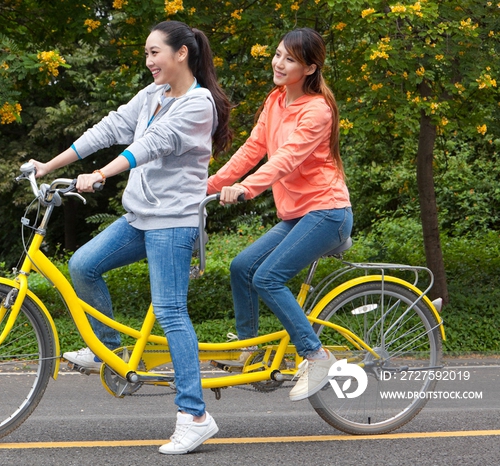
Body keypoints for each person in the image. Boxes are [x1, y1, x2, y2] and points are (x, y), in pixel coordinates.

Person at [31, 20, 232, 454]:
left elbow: (152, 145)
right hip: (140, 218)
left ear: (181, 53)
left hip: (174, 223)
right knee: (83, 265)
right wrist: (50, 165)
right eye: (146, 54)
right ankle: (113, 352)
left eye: (154, 53)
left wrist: (101, 174)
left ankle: (195, 415)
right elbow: (109, 128)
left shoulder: (199, 105)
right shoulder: (153, 96)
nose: (148, 62)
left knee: (170, 311)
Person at [207, 27, 352, 402]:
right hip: (297, 215)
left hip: (328, 212)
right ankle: (250, 348)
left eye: (290, 59)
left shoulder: (317, 110)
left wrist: (247, 188)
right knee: (242, 267)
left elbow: (287, 159)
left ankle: (316, 354)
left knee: (268, 277)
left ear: (309, 68)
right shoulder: (275, 101)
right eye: (277, 55)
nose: (279, 63)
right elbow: (253, 148)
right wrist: (209, 185)